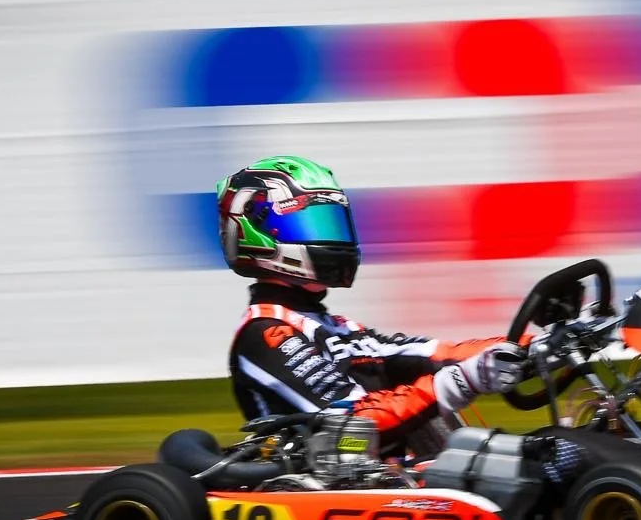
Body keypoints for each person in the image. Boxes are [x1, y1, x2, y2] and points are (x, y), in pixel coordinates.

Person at [218, 155, 527, 460]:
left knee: (549, 457)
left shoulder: (338, 328)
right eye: (313, 225)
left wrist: (535, 345)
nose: (333, 240)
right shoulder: (264, 333)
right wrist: (465, 380)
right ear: (259, 234)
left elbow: (436, 354)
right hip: (329, 484)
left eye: (334, 225)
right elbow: (356, 419)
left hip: (389, 482)